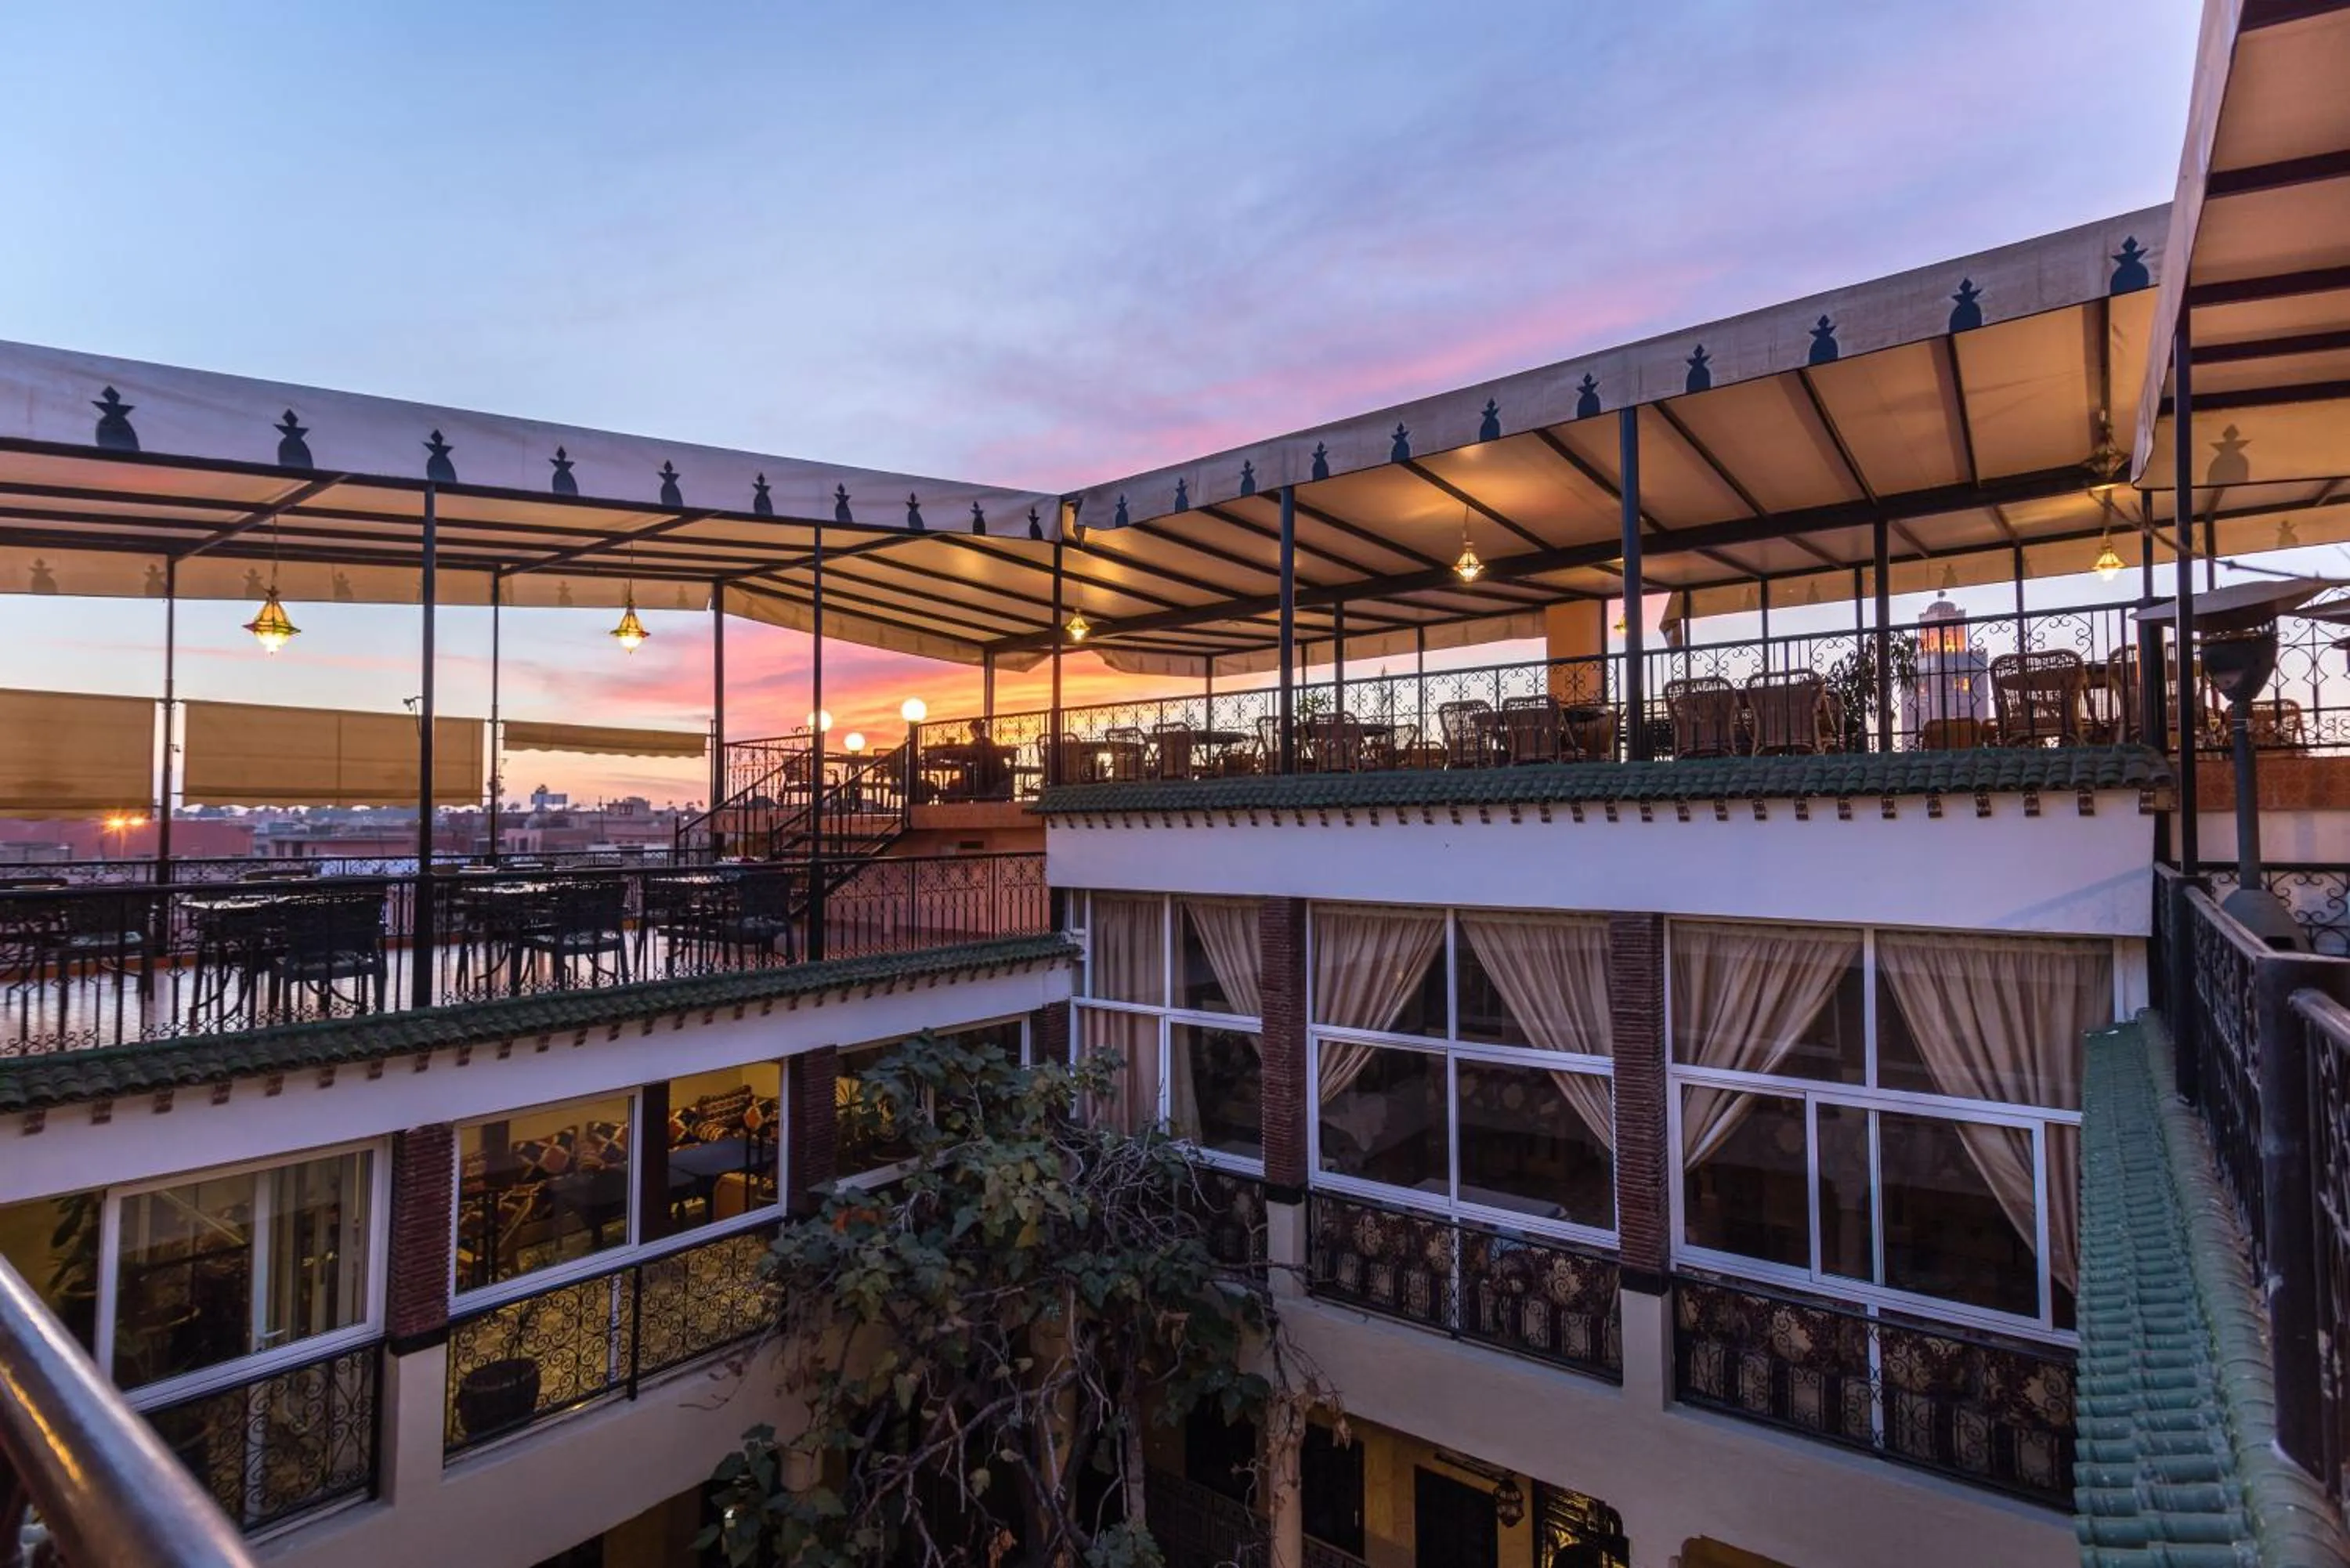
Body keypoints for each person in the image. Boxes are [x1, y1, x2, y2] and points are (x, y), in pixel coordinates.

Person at [966, 718, 1012, 800]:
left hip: (995, 784)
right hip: (998, 781)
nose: (972, 734)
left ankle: (971, 796)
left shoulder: (982, 744)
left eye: (972, 731)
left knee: (971, 773)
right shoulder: (987, 742)